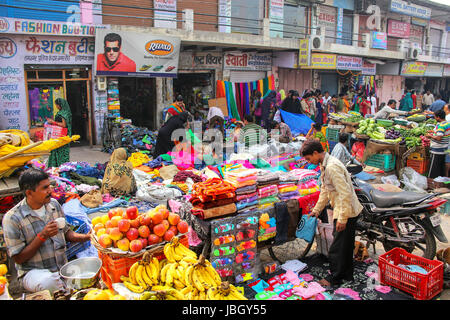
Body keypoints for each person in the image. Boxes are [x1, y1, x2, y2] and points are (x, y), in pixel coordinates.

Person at [2, 168, 91, 293]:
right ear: (29, 193)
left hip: (61, 268)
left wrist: (86, 237)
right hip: (33, 272)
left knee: (90, 272)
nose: (50, 191)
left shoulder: (54, 205)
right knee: (49, 282)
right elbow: (19, 259)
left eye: (49, 186)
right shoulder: (13, 218)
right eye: (44, 188)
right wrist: (42, 236)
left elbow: (66, 232)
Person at [301, 140, 363, 287]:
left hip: (346, 211)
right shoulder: (325, 165)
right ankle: (347, 275)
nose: (310, 162)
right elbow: (325, 190)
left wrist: (342, 218)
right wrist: (316, 210)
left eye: (309, 159)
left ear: (316, 153)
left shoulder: (331, 167)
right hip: (346, 210)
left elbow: (345, 194)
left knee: (336, 248)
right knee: (345, 246)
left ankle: (334, 278)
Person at [46, 98, 72, 168]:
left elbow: (64, 125)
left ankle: (62, 166)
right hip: (57, 134)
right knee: (55, 150)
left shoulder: (64, 113)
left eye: (57, 105)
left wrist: (53, 122)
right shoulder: (60, 112)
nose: (56, 106)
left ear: (60, 105)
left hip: (62, 135)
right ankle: (55, 166)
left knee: (61, 151)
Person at [426, 109, 449, 179]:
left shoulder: (441, 125)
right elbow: (443, 133)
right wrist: (433, 131)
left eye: (435, 117)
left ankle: (431, 183)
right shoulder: (447, 123)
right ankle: (439, 183)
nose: (435, 118)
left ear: (438, 117)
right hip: (444, 149)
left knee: (433, 170)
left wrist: (430, 136)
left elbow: (439, 138)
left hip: (437, 150)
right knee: (440, 169)